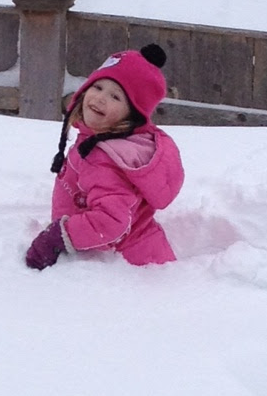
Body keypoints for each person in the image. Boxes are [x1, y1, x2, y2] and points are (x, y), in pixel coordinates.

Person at [25, 43, 184, 270]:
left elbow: (111, 221)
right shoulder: (95, 141)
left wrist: (59, 236)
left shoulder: (104, 159)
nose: (100, 98)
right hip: (127, 256)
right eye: (98, 87)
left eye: (115, 97)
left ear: (131, 116)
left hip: (125, 272)